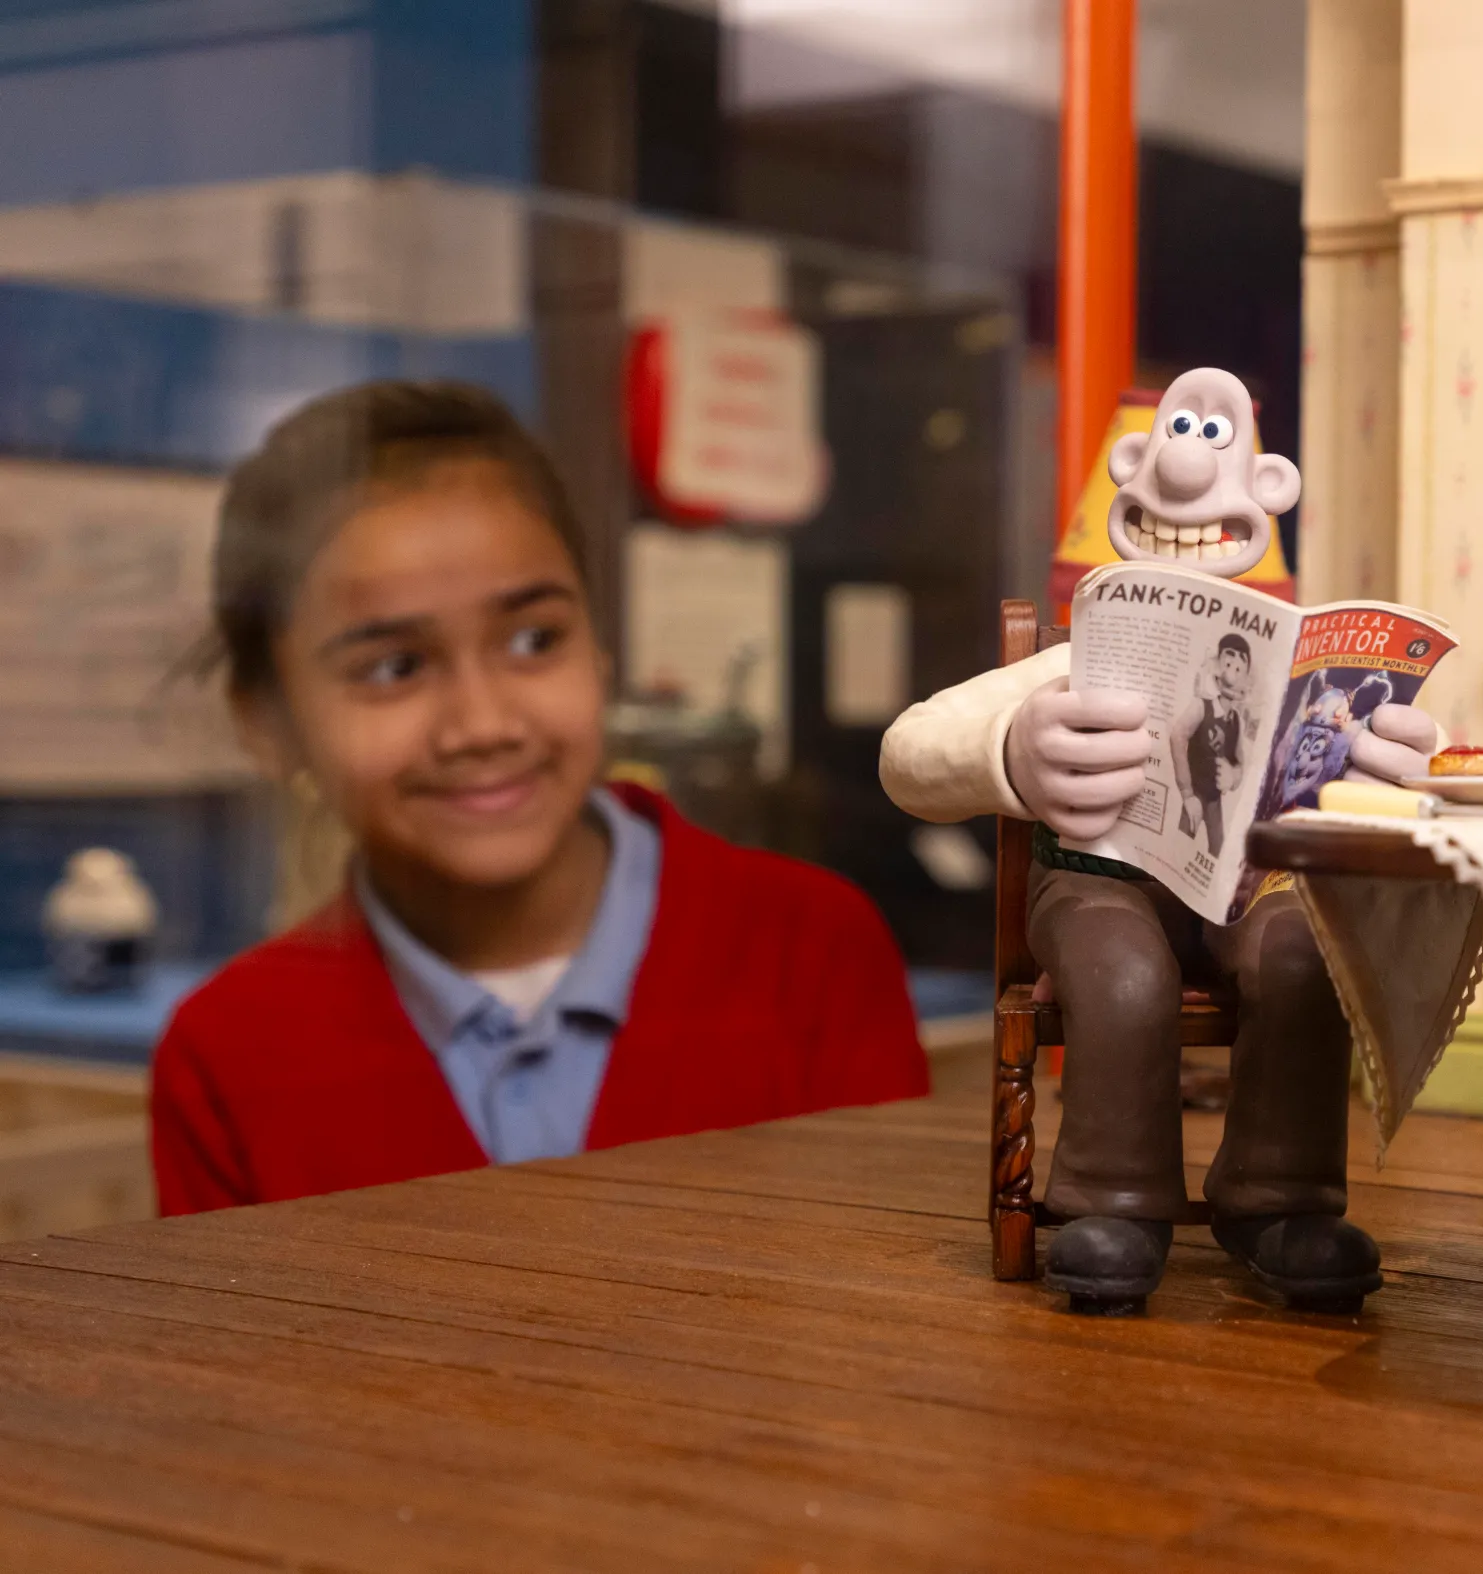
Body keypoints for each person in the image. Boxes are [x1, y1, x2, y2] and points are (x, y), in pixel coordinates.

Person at [151, 381, 927, 1215]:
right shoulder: (229, 1055)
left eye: (534, 640)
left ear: (600, 644)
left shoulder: (809, 955)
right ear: (267, 722)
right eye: (394, 667)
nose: (484, 724)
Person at [881, 367, 1438, 1316]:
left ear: (1269, 495)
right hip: (1099, 886)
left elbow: (1388, 775)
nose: (1187, 481)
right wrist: (1013, 751)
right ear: (1132, 474)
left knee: (1307, 953)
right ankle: (1114, 1200)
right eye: (1175, 441)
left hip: (1249, 885)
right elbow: (908, 754)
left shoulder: (1290, 660)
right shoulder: (1071, 660)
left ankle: (1277, 1199)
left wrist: (1398, 757)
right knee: (1124, 971)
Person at [1173, 634, 1255, 857]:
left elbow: (1239, 763)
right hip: (1196, 792)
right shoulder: (1202, 707)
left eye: (1241, 662)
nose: (1234, 669)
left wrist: (1233, 776)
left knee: (1218, 851)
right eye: (1229, 660)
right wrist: (1187, 793)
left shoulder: (1237, 721)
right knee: (1179, 846)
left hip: (1214, 800)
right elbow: (1178, 736)